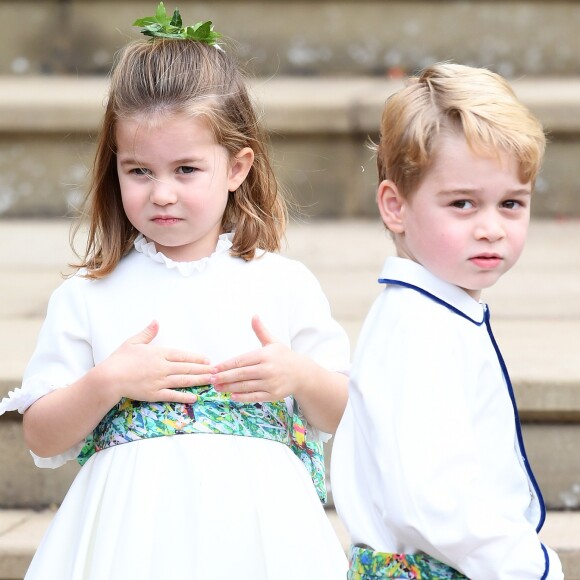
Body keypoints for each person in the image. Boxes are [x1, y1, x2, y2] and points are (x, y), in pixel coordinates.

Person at [0, 4, 350, 578]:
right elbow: (41, 435)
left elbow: (349, 416)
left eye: (186, 170)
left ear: (237, 167)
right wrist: (107, 381)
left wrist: (300, 377)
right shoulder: (90, 295)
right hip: (131, 540)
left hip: (258, 536)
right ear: (114, 167)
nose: (161, 193)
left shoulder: (282, 283)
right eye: (139, 171)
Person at [330, 62, 563, 579]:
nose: (491, 228)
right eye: (462, 204)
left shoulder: (435, 314)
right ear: (396, 206)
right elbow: (434, 497)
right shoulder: (420, 330)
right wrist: (530, 567)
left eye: (510, 204)